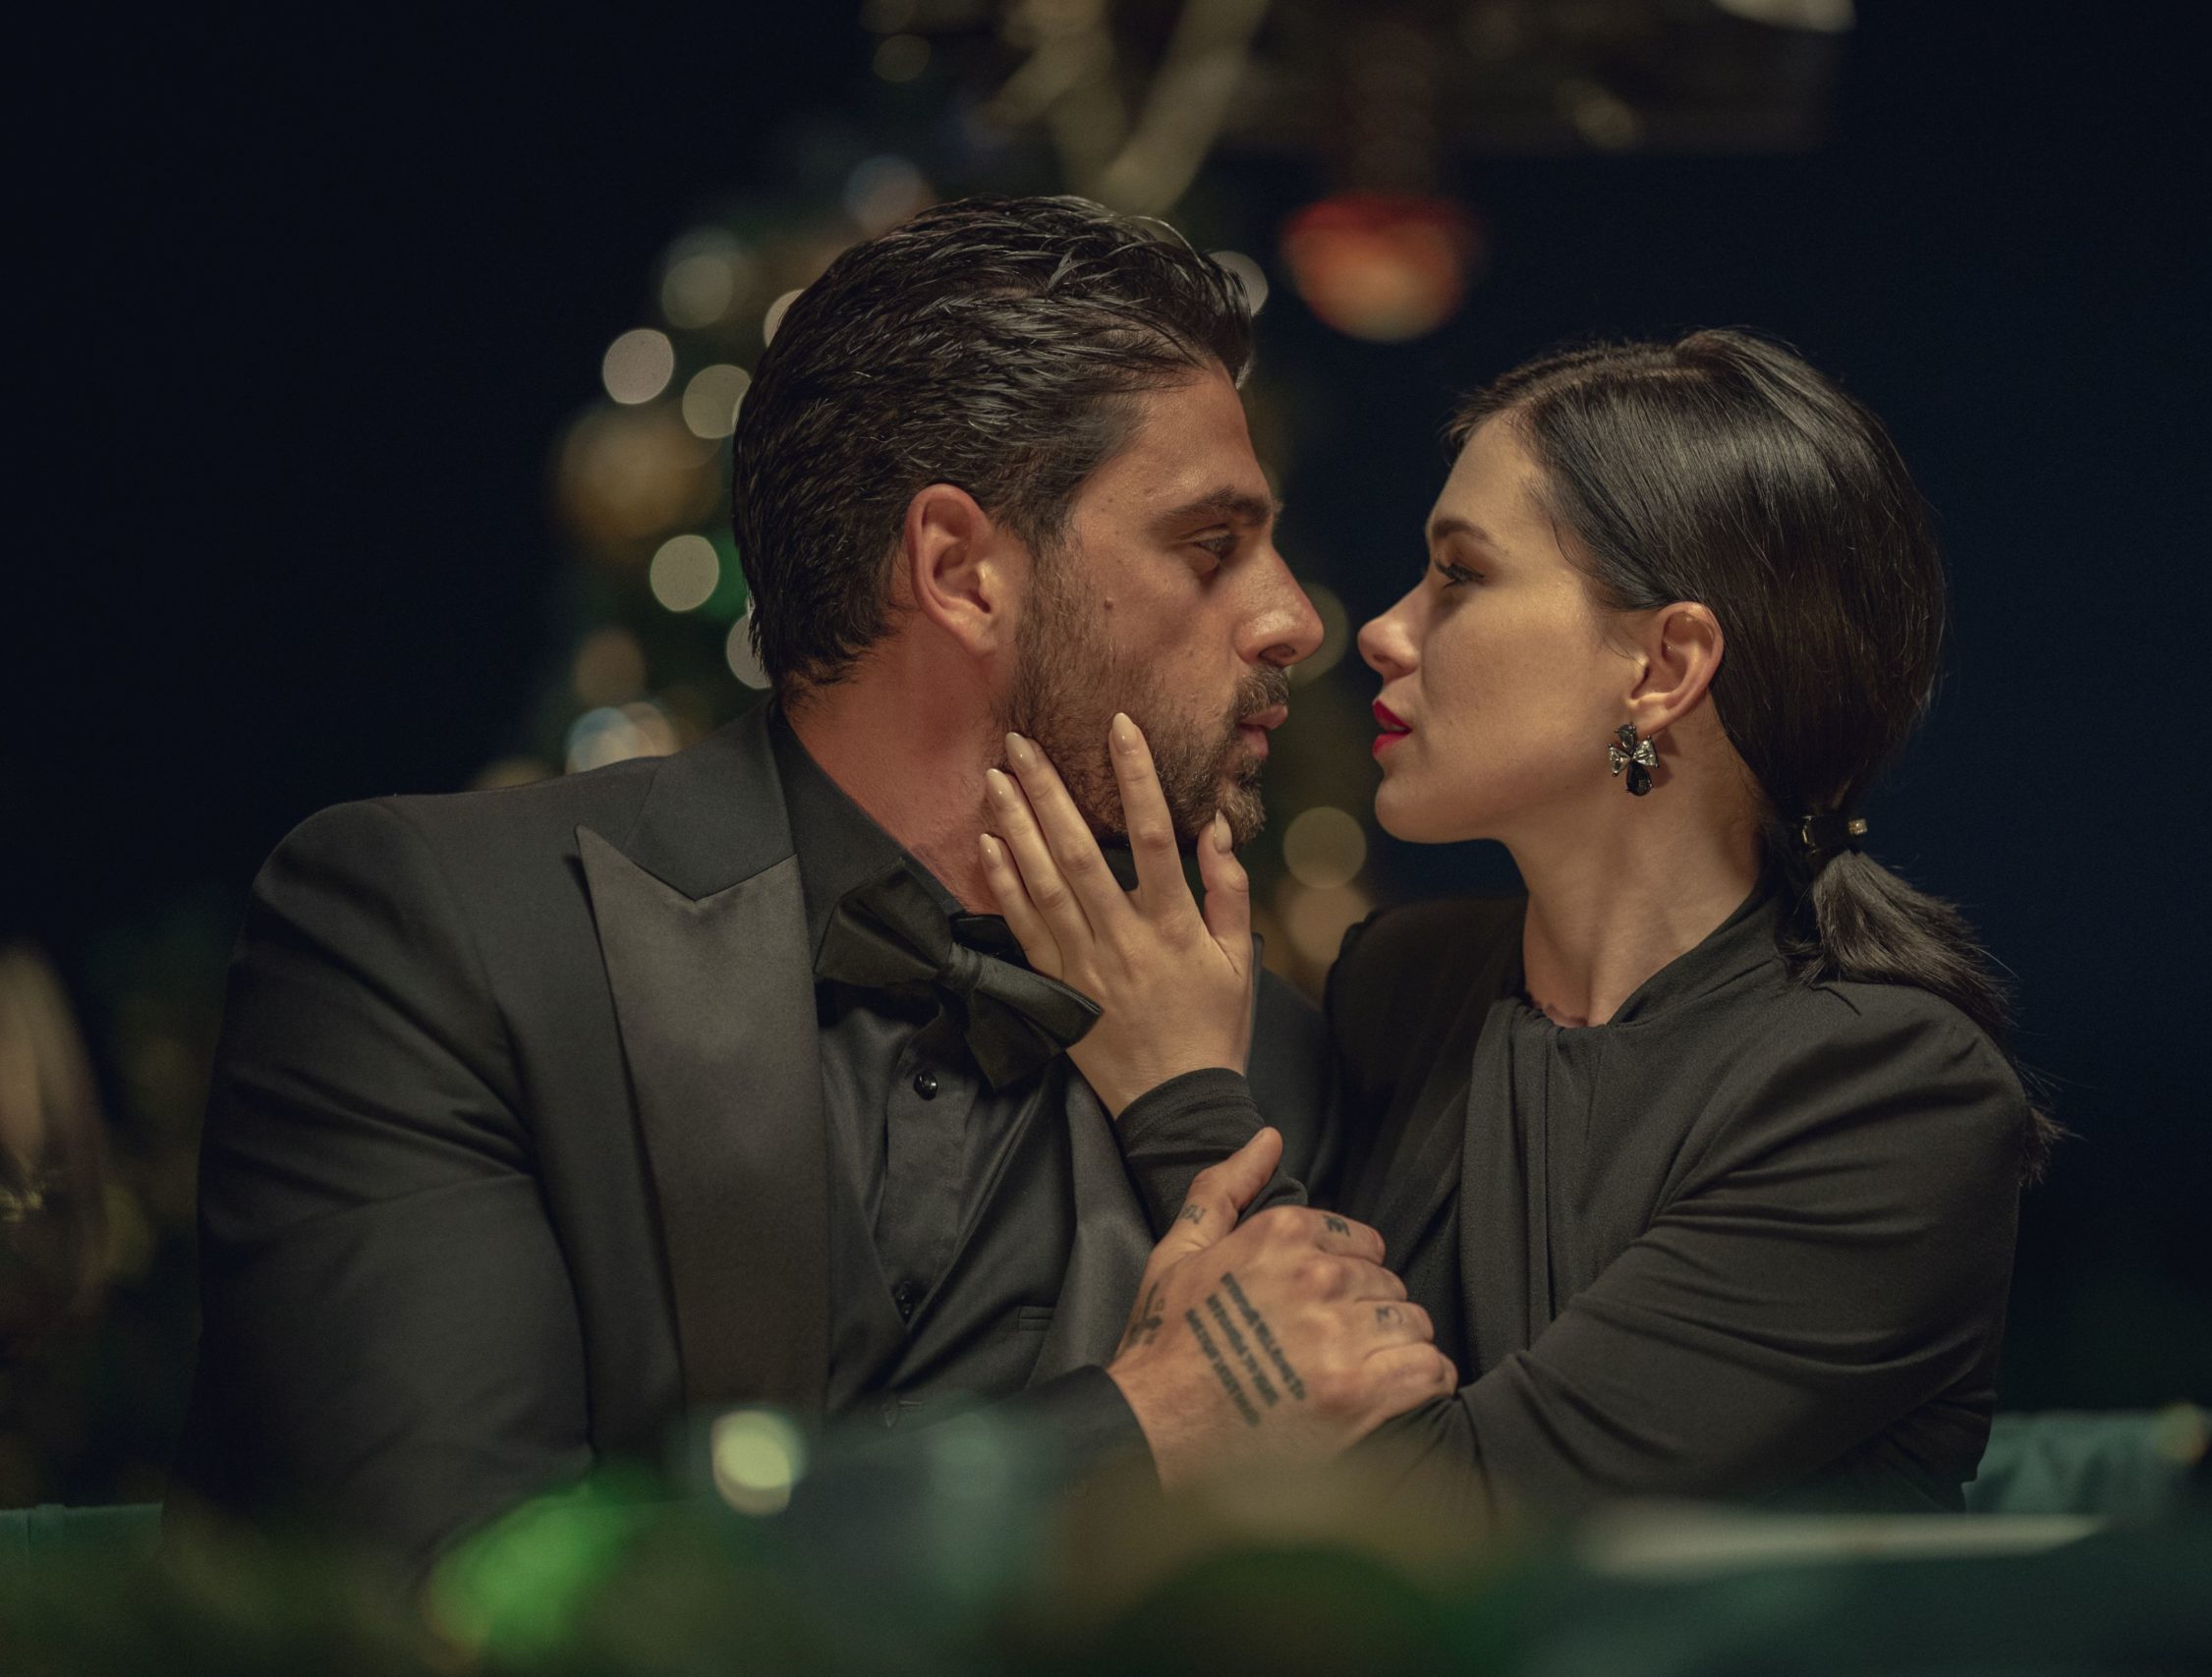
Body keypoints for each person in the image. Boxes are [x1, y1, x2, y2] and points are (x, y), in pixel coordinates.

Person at [173, 196, 1452, 1577]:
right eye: (1210, 543)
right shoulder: (447, 932)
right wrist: (1135, 1431)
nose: (1295, 618)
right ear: (959, 570)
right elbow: (455, 1584)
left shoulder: (1263, 1067)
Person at [978, 330, 2056, 1523]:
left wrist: (1180, 1094)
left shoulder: (1890, 1094)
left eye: (1459, 576)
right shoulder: (1404, 986)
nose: (1379, 632)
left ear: (1663, 667)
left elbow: (1467, 1527)